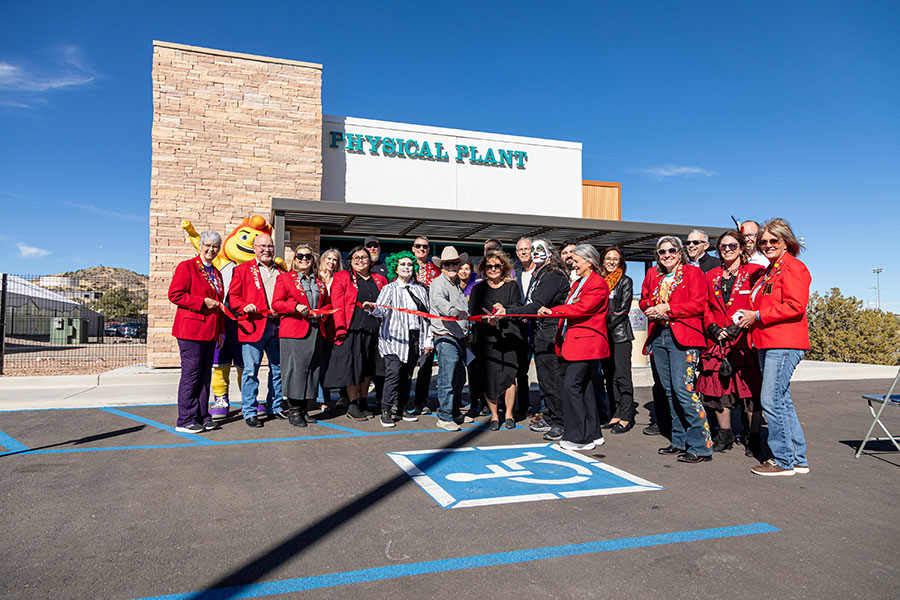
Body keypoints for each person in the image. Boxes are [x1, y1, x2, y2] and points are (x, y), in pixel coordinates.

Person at [735, 218, 811, 477]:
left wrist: (757, 315)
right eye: (762, 241)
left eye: (772, 241)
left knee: (770, 399)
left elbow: (795, 306)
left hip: (784, 342)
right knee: (782, 400)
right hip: (768, 342)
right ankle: (797, 458)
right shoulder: (770, 270)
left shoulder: (793, 267)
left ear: (786, 242)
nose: (767, 245)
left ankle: (783, 460)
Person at [640, 236, 712, 463]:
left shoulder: (693, 273)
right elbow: (643, 299)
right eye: (662, 252)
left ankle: (701, 445)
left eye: (672, 250)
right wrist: (650, 307)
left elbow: (699, 304)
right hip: (659, 335)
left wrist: (669, 308)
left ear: (680, 253)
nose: (667, 255)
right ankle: (679, 440)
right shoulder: (653, 274)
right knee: (668, 389)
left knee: (684, 389)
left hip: (684, 336)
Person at [697, 231, 765, 454]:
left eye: (732, 245)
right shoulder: (711, 275)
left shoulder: (755, 272)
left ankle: (753, 437)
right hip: (717, 340)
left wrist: (741, 325)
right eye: (723, 246)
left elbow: (760, 303)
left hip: (744, 340)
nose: (727, 249)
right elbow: (706, 306)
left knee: (749, 391)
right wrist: (712, 327)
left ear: (742, 248)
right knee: (718, 390)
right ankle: (724, 434)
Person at [537, 244, 609, 451]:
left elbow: (581, 308)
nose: (573, 263)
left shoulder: (597, 283)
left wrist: (553, 311)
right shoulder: (580, 282)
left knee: (571, 387)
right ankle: (593, 433)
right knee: (585, 388)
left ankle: (579, 437)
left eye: (577, 260)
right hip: (575, 342)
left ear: (590, 261)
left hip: (587, 343)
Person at [505, 239, 570, 439]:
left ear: (550, 254)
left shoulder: (551, 275)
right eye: (532, 250)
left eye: (539, 250)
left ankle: (560, 423)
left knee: (551, 379)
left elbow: (535, 305)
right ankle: (551, 416)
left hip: (550, 333)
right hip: (542, 332)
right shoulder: (541, 274)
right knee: (545, 378)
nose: (534, 253)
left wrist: (507, 312)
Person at [362, 251, 434, 427]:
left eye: (409, 265)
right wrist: (371, 308)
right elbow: (381, 310)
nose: (406, 267)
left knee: (407, 375)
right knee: (393, 374)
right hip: (394, 339)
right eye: (402, 264)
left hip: (415, 337)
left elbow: (426, 317)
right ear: (395, 267)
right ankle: (386, 410)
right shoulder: (389, 289)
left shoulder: (420, 290)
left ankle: (400, 408)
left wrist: (428, 340)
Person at [168, 231, 225, 433]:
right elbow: (175, 294)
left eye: (215, 246)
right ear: (200, 246)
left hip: (210, 332)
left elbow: (219, 306)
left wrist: (221, 331)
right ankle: (185, 419)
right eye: (207, 245)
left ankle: (203, 415)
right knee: (191, 375)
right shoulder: (187, 267)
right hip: (190, 330)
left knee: (204, 376)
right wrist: (201, 302)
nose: (211, 250)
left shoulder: (217, 273)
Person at [227, 233, 286, 428]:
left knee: (277, 370)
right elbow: (233, 297)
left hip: (277, 326)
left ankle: (275, 407)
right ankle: (250, 411)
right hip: (253, 326)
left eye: (270, 246)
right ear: (254, 248)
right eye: (262, 246)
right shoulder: (243, 270)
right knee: (250, 371)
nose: (266, 249)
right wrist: (244, 305)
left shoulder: (282, 272)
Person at [324, 245, 388, 420]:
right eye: (356, 258)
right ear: (350, 261)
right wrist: (340, 327)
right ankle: (352, 404)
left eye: (364, 257)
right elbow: (337, 303)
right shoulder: (342, 277)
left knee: (368, 368)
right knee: (353, 368)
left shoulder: (379, 279)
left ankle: (364, 400)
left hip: (374, 329)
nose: (361, 261)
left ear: (370, 260)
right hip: (352, 328)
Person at [272, 244, 330, 427]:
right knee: (296, 371)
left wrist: (322, 312)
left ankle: (304, 409)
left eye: (308, 256)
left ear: (313, 260)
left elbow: (328, 305)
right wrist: (295, 307)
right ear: (294, 259)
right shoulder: (285, 279)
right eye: (300, 256)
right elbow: (276, 303)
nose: (304, 259)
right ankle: (294, 410)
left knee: (311, 371)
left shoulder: (319, 283)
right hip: (294, 332)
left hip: (315, 330)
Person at [469, 250, 525, 430]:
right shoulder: (478, 289)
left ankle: (508, 414)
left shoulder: (512, 286)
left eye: (496, 266)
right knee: (489, 378)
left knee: (510, 377)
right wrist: (488, 320)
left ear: (503, 267)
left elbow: (517, 308)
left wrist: (505, 310)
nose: (493, 269)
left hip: (509, 338)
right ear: (484, 269)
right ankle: (494, 416)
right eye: (489, 266)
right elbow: (474, 313)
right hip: (486, 340)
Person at [429, 246, 471, 431]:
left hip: (458, 337)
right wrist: (454, 312)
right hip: (446, 337)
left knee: (459, 377)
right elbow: (440, 302)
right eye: (448, 264)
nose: (452, 266)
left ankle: (453, 412)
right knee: (448, 378)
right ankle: (445, 416)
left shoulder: (455, 285)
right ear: (442, 266)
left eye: (455, 263)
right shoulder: (439, 283)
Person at [598, 246, 637, 434]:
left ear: (621, 261)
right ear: (602, 261)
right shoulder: (599, 282)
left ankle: (627, 416)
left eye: (616, 258)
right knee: (610, 376)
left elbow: (622, 310)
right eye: (608, 258)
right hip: (604, 337)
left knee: (622, 376)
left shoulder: (625, 281)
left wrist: (601, 326)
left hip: (620, 335)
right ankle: (615, 412)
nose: (612, 261)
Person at [411, 236, 442, 415]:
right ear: (413, 249)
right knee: (405, 364)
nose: (422, 249)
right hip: (409, 321)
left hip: (429, 322)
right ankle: (399, 401)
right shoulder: (405, 265)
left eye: (425, 246)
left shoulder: (435, 270)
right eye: (418, 246)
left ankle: (420, 401)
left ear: (429, 250)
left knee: (425, 365)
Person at [316, 248, 344, 409]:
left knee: (334, 362)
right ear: (323, 259)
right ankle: (322, 399)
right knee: (320, 363)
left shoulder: (339, 279)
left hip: (335, 324)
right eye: (329, 258)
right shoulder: (315, 277)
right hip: (318, 324)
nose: (332, 262)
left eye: (335, 260)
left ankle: (342, 396)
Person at [513, 237, 537, 419]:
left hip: (541, 327)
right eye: (520, 250)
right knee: (521, 370)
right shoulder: (516, 275)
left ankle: (547, 407)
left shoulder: (542, 273)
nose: (523, 252)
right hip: (521, 328)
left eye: (526, 249)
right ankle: (523, 405)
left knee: (546, 369)